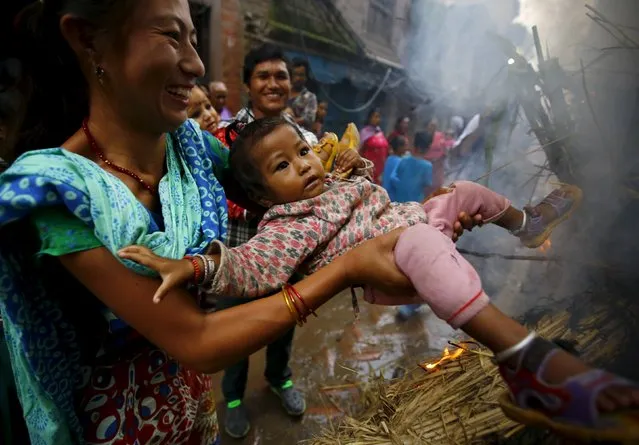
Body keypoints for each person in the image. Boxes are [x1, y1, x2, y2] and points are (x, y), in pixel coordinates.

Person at [0, 2, 424, 444]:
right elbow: (198, 341)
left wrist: (375, 204)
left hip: (197, 410)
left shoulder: (193, 149)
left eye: (195, 40)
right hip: (120, 428)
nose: (196, 64)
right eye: (170, 35)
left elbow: (300, 198)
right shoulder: (56, 195)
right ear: (88, 41)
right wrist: (347, 269)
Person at [121, 117, 639, 442]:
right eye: (283, 166)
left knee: (462, 191)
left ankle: (527, 224)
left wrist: (355, 166)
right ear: (264, 199)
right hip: (397, 257)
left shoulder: (332, 184)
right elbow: (251, 265)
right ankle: (525, 362)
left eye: (302, 151)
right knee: (421, 241)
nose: (303, 165)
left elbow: (366, 196)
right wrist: (193, 265)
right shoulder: (286, 224)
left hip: (415, 222)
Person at [211, 43, 318, 439]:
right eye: (264, 76)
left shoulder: (305, 138)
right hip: (238, 253)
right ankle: (234, 397)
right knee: (234, 330)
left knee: (284, 321)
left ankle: (279, 377)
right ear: (248, 84)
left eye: (281, 76)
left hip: (288, 256)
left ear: (291, 84)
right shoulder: (224, 136)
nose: (274, 84)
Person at [359, 108, 389, 184]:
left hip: (378, 171)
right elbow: (360, 150)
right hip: (367, 168)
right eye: (375, 117)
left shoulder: (379, 131)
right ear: (369, 118)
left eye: (379, 117)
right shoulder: (364, 132)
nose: (377, 119)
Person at [287, 58, 318, 131]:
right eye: (295, 74)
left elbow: (309, 119)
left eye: (301, 75)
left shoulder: (310, 97)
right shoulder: (284, 91)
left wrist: (288, 121)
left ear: (306, 77)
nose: (298, 78)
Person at [423, 118, 448, 196]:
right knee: (425, 185)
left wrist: (440, 158)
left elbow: (445, 151)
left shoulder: (440, 136)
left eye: (435, 125)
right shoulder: (423, 136)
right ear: (427, 126)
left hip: (437, 166)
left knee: (436, 186)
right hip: (426, 164)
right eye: (432, 125)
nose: (434, 127)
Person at [382, 134, 408, 201]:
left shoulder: (389, 158)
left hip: (385, 192)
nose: (407, 148)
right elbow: (393, 178)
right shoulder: (399, 161)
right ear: (399, 147)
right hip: (393, 196)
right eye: (405, 145)